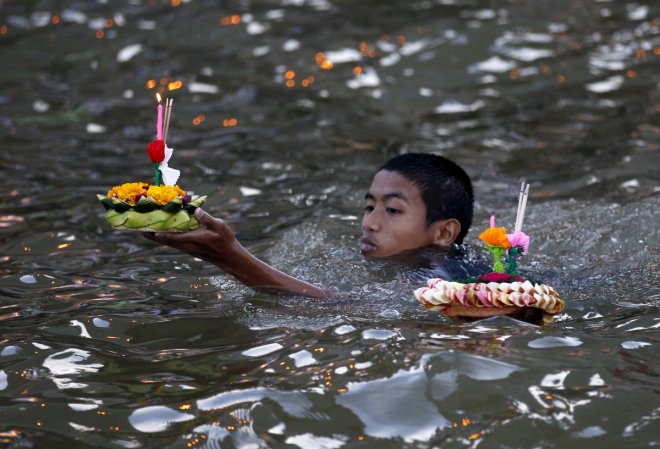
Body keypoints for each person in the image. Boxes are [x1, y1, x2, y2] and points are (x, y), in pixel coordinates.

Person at [144, 153, 515, 319]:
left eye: (393, 210)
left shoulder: (442, 280)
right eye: (369, 206)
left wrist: (230, 256)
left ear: (444, 232)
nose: (370, 223)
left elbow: (342, 306)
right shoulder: (401, 259)